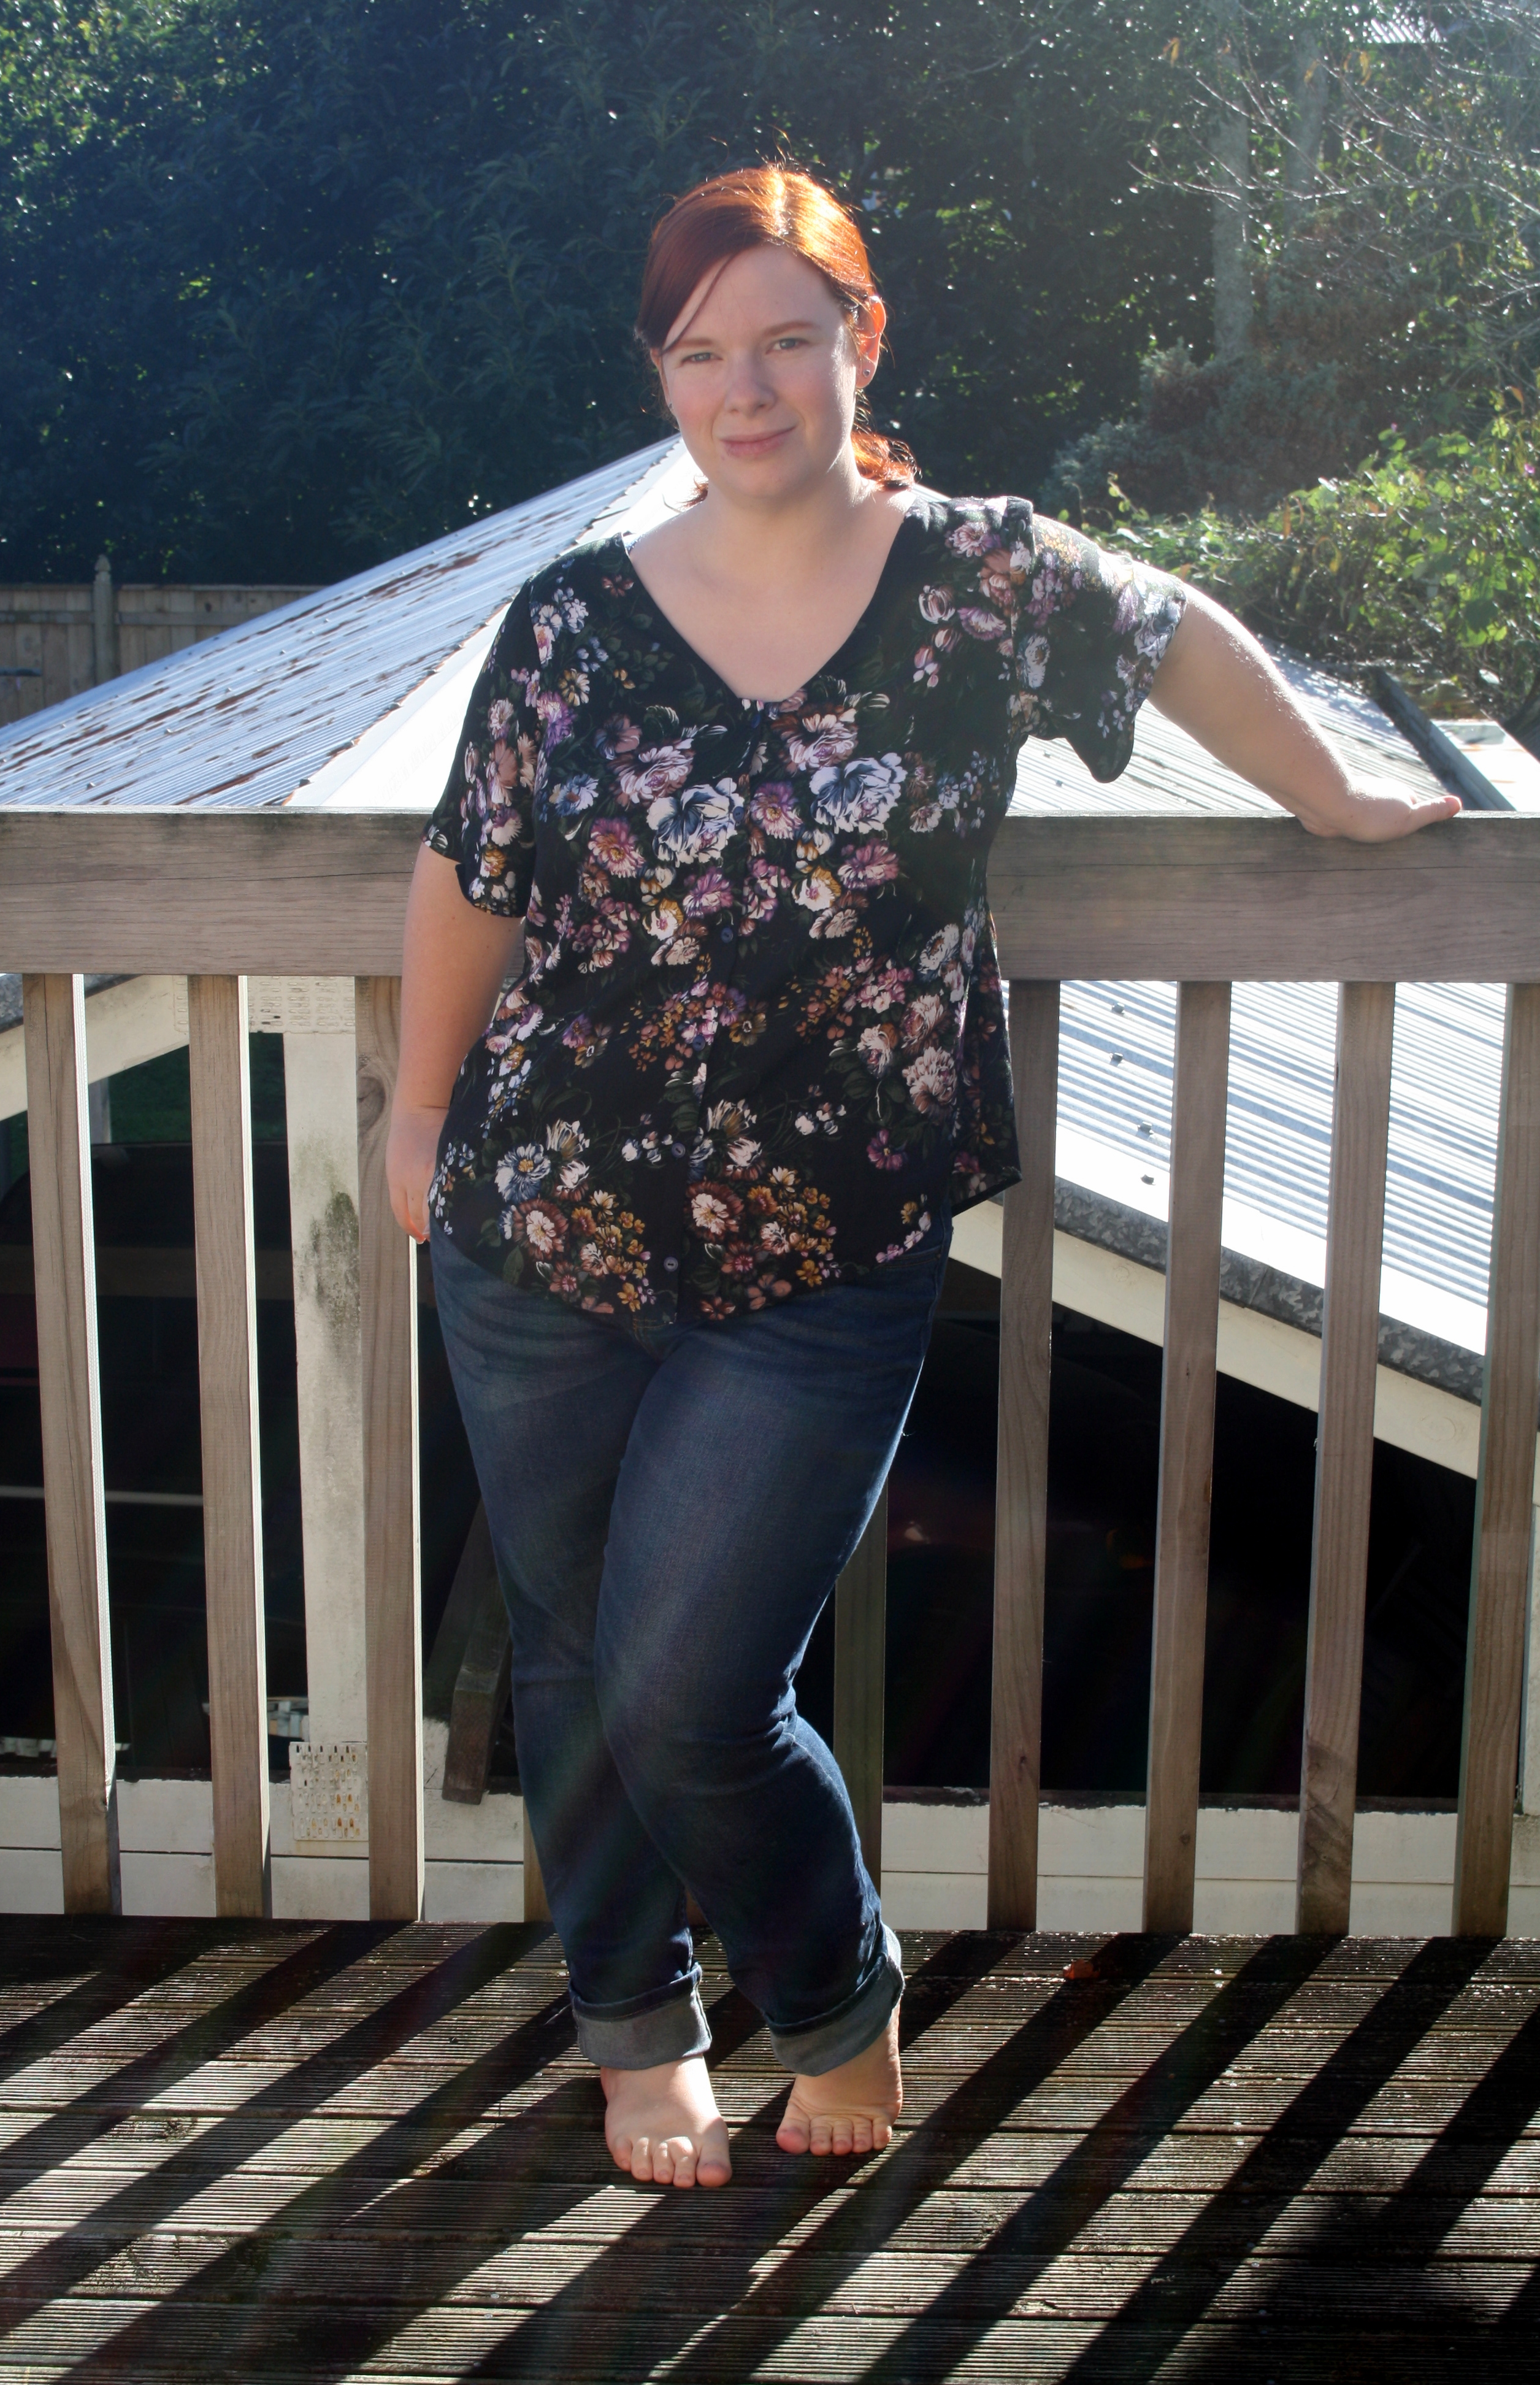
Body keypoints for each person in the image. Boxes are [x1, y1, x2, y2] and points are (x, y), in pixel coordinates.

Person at [385, 164, 1458, 2193]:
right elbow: (473, 871)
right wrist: (419, 1113)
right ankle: (635, 2034)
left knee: (695, 1684)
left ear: (860, 342)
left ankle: (835, 1993)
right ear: (661, 376)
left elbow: (1177, 639)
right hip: (543, 1222)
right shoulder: (576, 620)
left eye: (787, 339)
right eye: (700, 352)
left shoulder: (983, 579)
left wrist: (1327, 790)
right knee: (568, 1654)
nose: (746, 387)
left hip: (829, 1251)